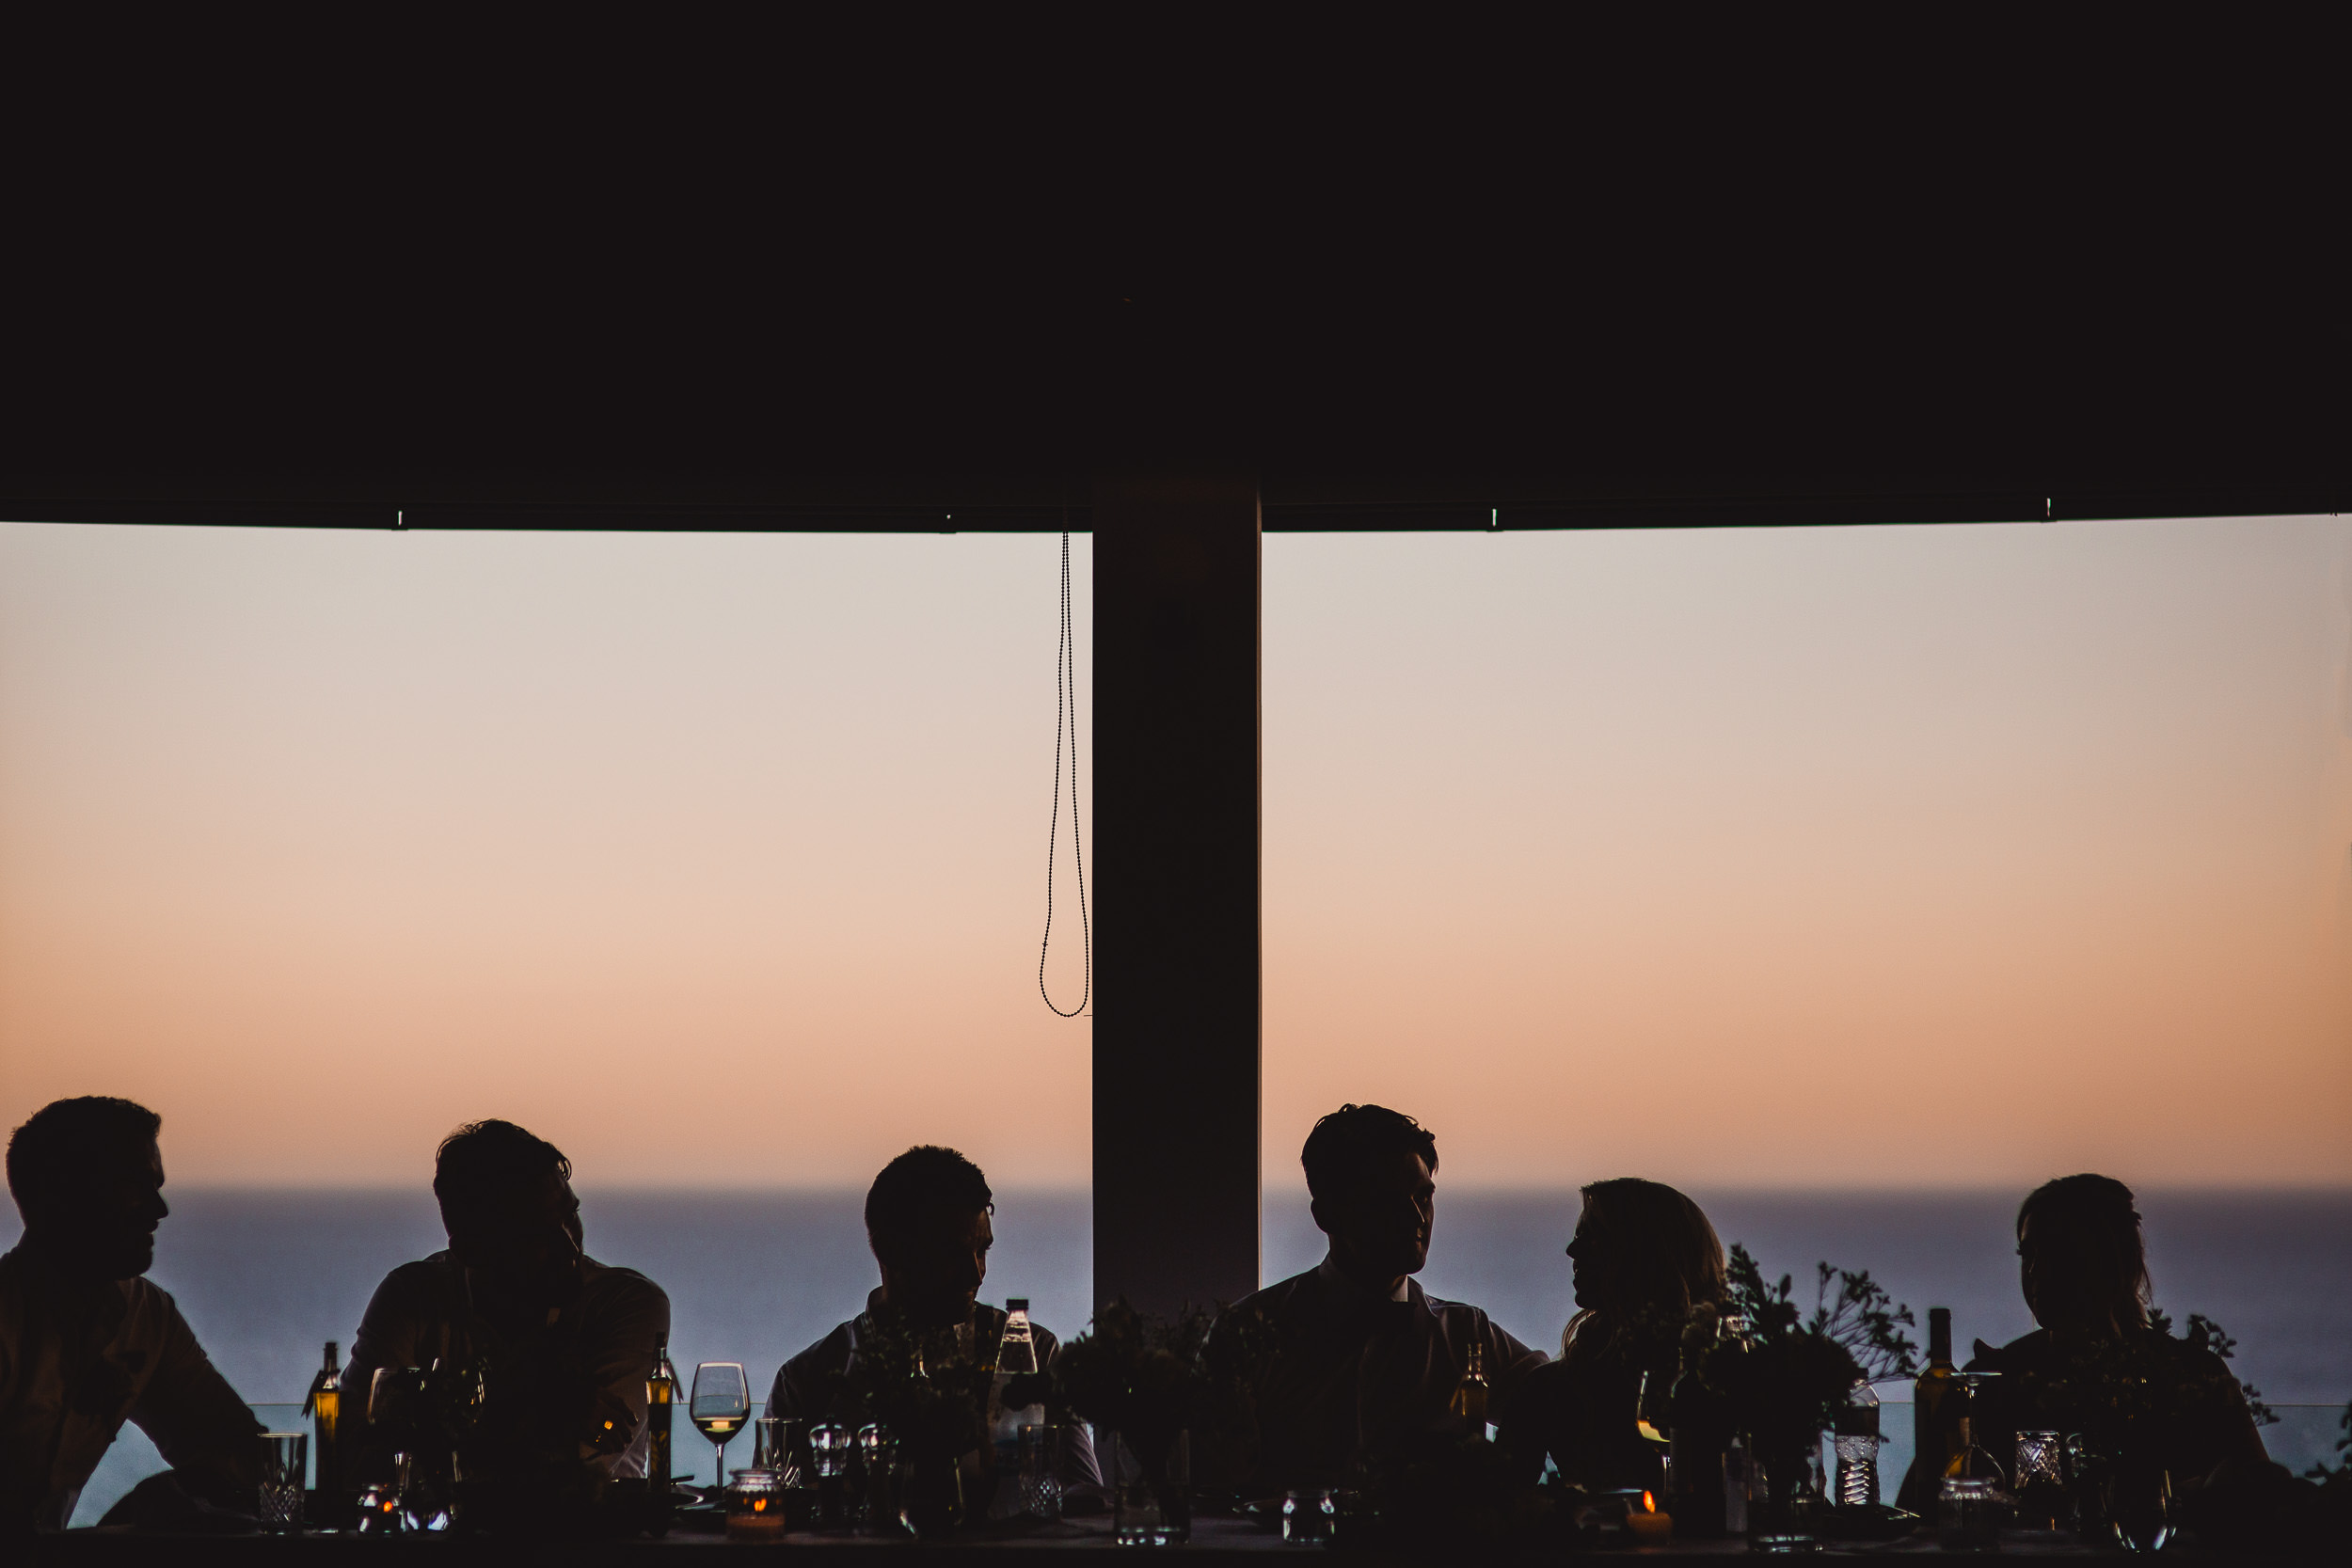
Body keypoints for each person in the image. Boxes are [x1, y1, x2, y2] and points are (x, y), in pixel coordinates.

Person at [1220, 1105, 1545, 1492]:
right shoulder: (1250, 1333)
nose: (1417, 1219)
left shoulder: (1466, 1335)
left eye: (1423, 1196)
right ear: (1327, 1215)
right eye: (1387, 1200)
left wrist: (1504, 1477)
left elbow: (1549, 1394)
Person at [768, 1145, 1099, 1509]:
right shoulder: (805, 1381)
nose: (976, 1274)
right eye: (953, 1254)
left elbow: (1087, 1497)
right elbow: (774, 1520)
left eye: (982, 1251)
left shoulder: (1031, 1354)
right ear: (890, 1251)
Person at [345, 1120, 668, 1491]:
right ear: (471, 1249)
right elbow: (355, 1458)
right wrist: (536, 1408)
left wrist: (446, 1434)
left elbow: (579, 1468)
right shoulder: (412, 1297)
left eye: (571, 1215)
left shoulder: (626, 1304)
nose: (570, 1247)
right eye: (538, 1232)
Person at [0, 1097, 261, 1531]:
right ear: (61, 1195)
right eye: (135, 1186)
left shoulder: (147, 1317)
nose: (160, 1211)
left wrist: (162, 1500)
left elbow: (237, 1450)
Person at [1965, 1174, 2266, 1494]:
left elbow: (2260, 1494)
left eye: (2057, 1253)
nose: (2036, 1270)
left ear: (2112, 1263)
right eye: (2027, 1254)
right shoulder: (1993, 1381)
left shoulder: (2194, 1377)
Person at [1500, 1177, 1727, 1490]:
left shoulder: (1729, 1387)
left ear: (1647, 1255)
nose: (1572, 1250)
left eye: (1594, 1237)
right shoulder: (1550, 1391)